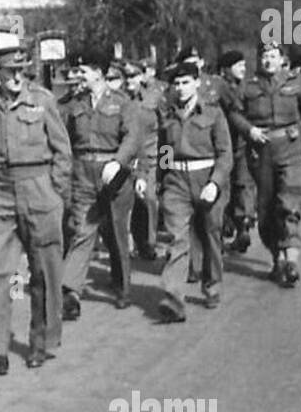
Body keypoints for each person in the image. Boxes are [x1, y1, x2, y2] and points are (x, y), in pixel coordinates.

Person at [0, 45, 71, 378]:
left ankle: (41, 340)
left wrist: (56, 192)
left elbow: (62, 151)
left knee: (43, 271)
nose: (16, 77)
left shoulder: (42, 101)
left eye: (21, 70)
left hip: (39, 189)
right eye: (9, 72)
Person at [228, 39, 301, 287]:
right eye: (264, 56)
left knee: (289, 202)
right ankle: (277, 258)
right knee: (267, 208)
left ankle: (291, 259)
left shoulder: (296, 83)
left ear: (282, 58)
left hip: (290, 150)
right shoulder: (248, 88)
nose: (268, 60)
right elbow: (234, 113)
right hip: (261, 154)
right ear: (258, 60)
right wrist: (248, 130)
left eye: (273, 55)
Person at [59, 48, 143, 319]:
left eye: (82, 71)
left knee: (117, 233)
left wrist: (118, 162)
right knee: (82, 230)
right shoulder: (76, 104)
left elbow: (132, 138)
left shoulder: (123, 103)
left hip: (114, 174)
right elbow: (66, 140)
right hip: (83, 172)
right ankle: (70, 291)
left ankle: (122, 286)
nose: (78, 75)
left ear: (98, 72)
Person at [155, 62, 233, 322]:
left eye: (186, 82)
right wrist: (161, 180)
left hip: (206, 178)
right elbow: (164, 150)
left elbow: (225, 154)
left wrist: (215, 182)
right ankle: (174, 298)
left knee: (211, 234)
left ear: (197, 83)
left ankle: (212, 286)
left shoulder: (213, 113)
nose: (180, 88)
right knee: (177, 238)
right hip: (176, 181)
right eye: (176, 84)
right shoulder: (167, 114)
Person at [216, 49, 256, 253]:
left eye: (243, 64)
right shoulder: (217, 88)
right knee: (225, 187)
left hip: (240, 143)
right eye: (237, 65)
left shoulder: (248, 87)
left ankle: (243, 226)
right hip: (219, 146)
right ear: (225, 70)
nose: (243, 67)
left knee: (242, 184)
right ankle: (230, 227)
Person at [124, 60, 162, 261]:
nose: (130, 80)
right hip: (127, 159)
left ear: (142, 76)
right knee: (127, 203)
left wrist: (166, 165)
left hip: (151, 158)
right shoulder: (120, 100)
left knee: (149, 200)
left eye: (134, 76)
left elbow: (166, 130)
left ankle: (149, 242)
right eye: (127, 76)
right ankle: (129, 244)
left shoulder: (155, 98)